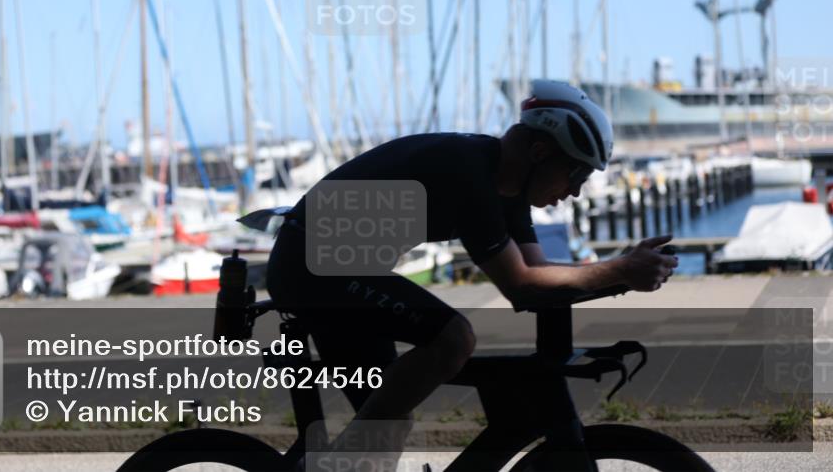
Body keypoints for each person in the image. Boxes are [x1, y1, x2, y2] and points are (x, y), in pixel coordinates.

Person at [264, 80, 678, 470]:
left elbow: (540, 273)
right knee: (453, 338)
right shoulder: (470, 174)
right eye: (577, 175)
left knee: (389, 420)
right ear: (539, 154)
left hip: (340, 270)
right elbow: (520, 286)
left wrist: (624, 271)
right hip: (311, 267)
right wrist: (620, 270)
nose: (575, 192)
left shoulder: (507, 185)